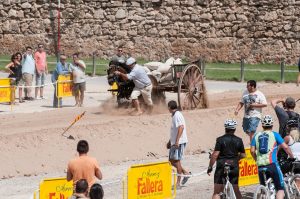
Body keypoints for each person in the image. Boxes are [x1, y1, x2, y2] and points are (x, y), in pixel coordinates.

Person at [250, 115, 294, 199]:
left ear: (262, 125)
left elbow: (252, 151)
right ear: (272, 125)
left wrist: (256, 159)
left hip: (260, 165)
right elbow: (285, 147)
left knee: (263, 189)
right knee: (280, 188)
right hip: (272, 164)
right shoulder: (275, 135)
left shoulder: (256, 135)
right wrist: (291, 156)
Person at [207, 119, 246, 199]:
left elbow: (215, 155)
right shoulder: (239, 140)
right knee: (236, 190)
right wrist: (236, 158)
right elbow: (243, 155)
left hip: (222, 166)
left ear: (225, 129)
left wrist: (210, 167)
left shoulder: (220, 140)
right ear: (234, 129)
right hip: (234, 166)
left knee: (217, 192)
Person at [166, 100, 190, 189]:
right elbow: (174, 131)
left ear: (169, 107)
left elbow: (181, 127)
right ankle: (186, 173)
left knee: (176, 161)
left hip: (179, 142)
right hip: (175, 142)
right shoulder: (175, 115)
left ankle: (178, 183)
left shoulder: (177, 115)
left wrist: (176, 142)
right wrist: (170, 142)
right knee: (171, 161)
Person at [271, 97, 299, 161]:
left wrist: (281, 100)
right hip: (295, 145)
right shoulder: (298, 116)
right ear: (294, 105)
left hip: (283, 144)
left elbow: (273, 102)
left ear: (285, 105)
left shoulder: (283, 114)